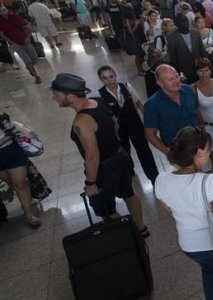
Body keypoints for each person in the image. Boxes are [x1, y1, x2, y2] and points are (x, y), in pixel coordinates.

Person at [156, 126, 213, 300]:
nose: (209, 154)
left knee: (208, 273)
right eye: (208, 150)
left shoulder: (161, 179)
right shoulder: (209, 181)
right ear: (199, 153)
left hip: (190, 246)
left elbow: (170, 209)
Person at [50, 73, 149, 237]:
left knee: (106, 208)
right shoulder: (98, 101)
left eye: (57, 94)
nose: (54, 98)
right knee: (129, 194)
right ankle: (141, 228)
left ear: (70, 96)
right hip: (120, 155)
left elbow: (92, 155)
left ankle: (129, 238)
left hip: (104, 168)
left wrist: (90, 183)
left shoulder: (82, 120)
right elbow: (115, 124)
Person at [94, 66, 159, 186]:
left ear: (115, 75)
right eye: (105, 78)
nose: (109, 80)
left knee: (144, 150)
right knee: (125, 151)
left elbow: (139, 104)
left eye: (111, 76)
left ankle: (154, 177)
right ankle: (130, 171)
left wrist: (149, 122)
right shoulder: (100, 95)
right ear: (101, 79)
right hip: (118, 129)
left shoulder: (126, 86)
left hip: (135, 124)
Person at [144, 64, 203, 168]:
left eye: (176, 76)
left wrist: (203, 134)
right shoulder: (152, 105)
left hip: (197, 145)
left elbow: (197, 112)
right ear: (160, 83)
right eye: (171, 79)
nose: (176, 81)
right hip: (177, 152)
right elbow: (149, 134)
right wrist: (167, 152)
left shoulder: (188, 91)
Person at [0, 112, 41, 227]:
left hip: (10, 151)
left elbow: (11, 132)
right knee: (12, 184)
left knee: (19, 184)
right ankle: (27, 201)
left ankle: (29, 214)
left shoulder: (2, 116)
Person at [0, 5, 42, 84]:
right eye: (1, 11)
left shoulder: (14, 17)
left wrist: (28, 37)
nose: (3, 12)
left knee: (34, 59)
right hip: (15, 43)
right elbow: (1, 33)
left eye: (4, 10)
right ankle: (37, 76)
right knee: (27, 60)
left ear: (7, 10)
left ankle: (29, 66)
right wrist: (9, 41)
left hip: (25, 40)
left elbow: (27, 26)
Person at [167, 14, 206, 84]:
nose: (185, 22)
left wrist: (204, 64)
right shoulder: (171, 37)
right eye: (182, 21)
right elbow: (173, 57)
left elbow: (202, 50)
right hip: (184, 71)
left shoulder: (195, 33)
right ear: (176, 24)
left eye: (186, 20)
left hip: (198, 68)